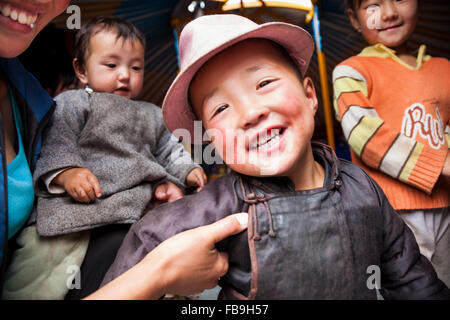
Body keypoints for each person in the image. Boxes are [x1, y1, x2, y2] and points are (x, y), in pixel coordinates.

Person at [100, 14, 450, 299]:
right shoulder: (219, 208)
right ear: (213, 143)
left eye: (265, 84)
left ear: (310, 95)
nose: (250, 112)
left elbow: (411, 278)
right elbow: (147, 243)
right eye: (221, 107)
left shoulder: (364, 188)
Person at [0, 0, 236, 301]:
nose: (124, 75)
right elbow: (57, 140)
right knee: (43, 266)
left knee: (168, 239)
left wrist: (186, 169)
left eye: (135, 67)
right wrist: (66, 173)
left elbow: (168, 147)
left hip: (129, 207)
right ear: (82, 70)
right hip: (73, 210)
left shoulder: (151, 113)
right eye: (111, 65)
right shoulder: (74, 103)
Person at [332, 0, 449, 287]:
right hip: (392, 211)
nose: (389, 13)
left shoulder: (444, 69)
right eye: (373, 4)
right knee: (408, 289)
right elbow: (366, 137)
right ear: (355, 19)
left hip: (447, 203)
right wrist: (440, 164)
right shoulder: (350, 71)